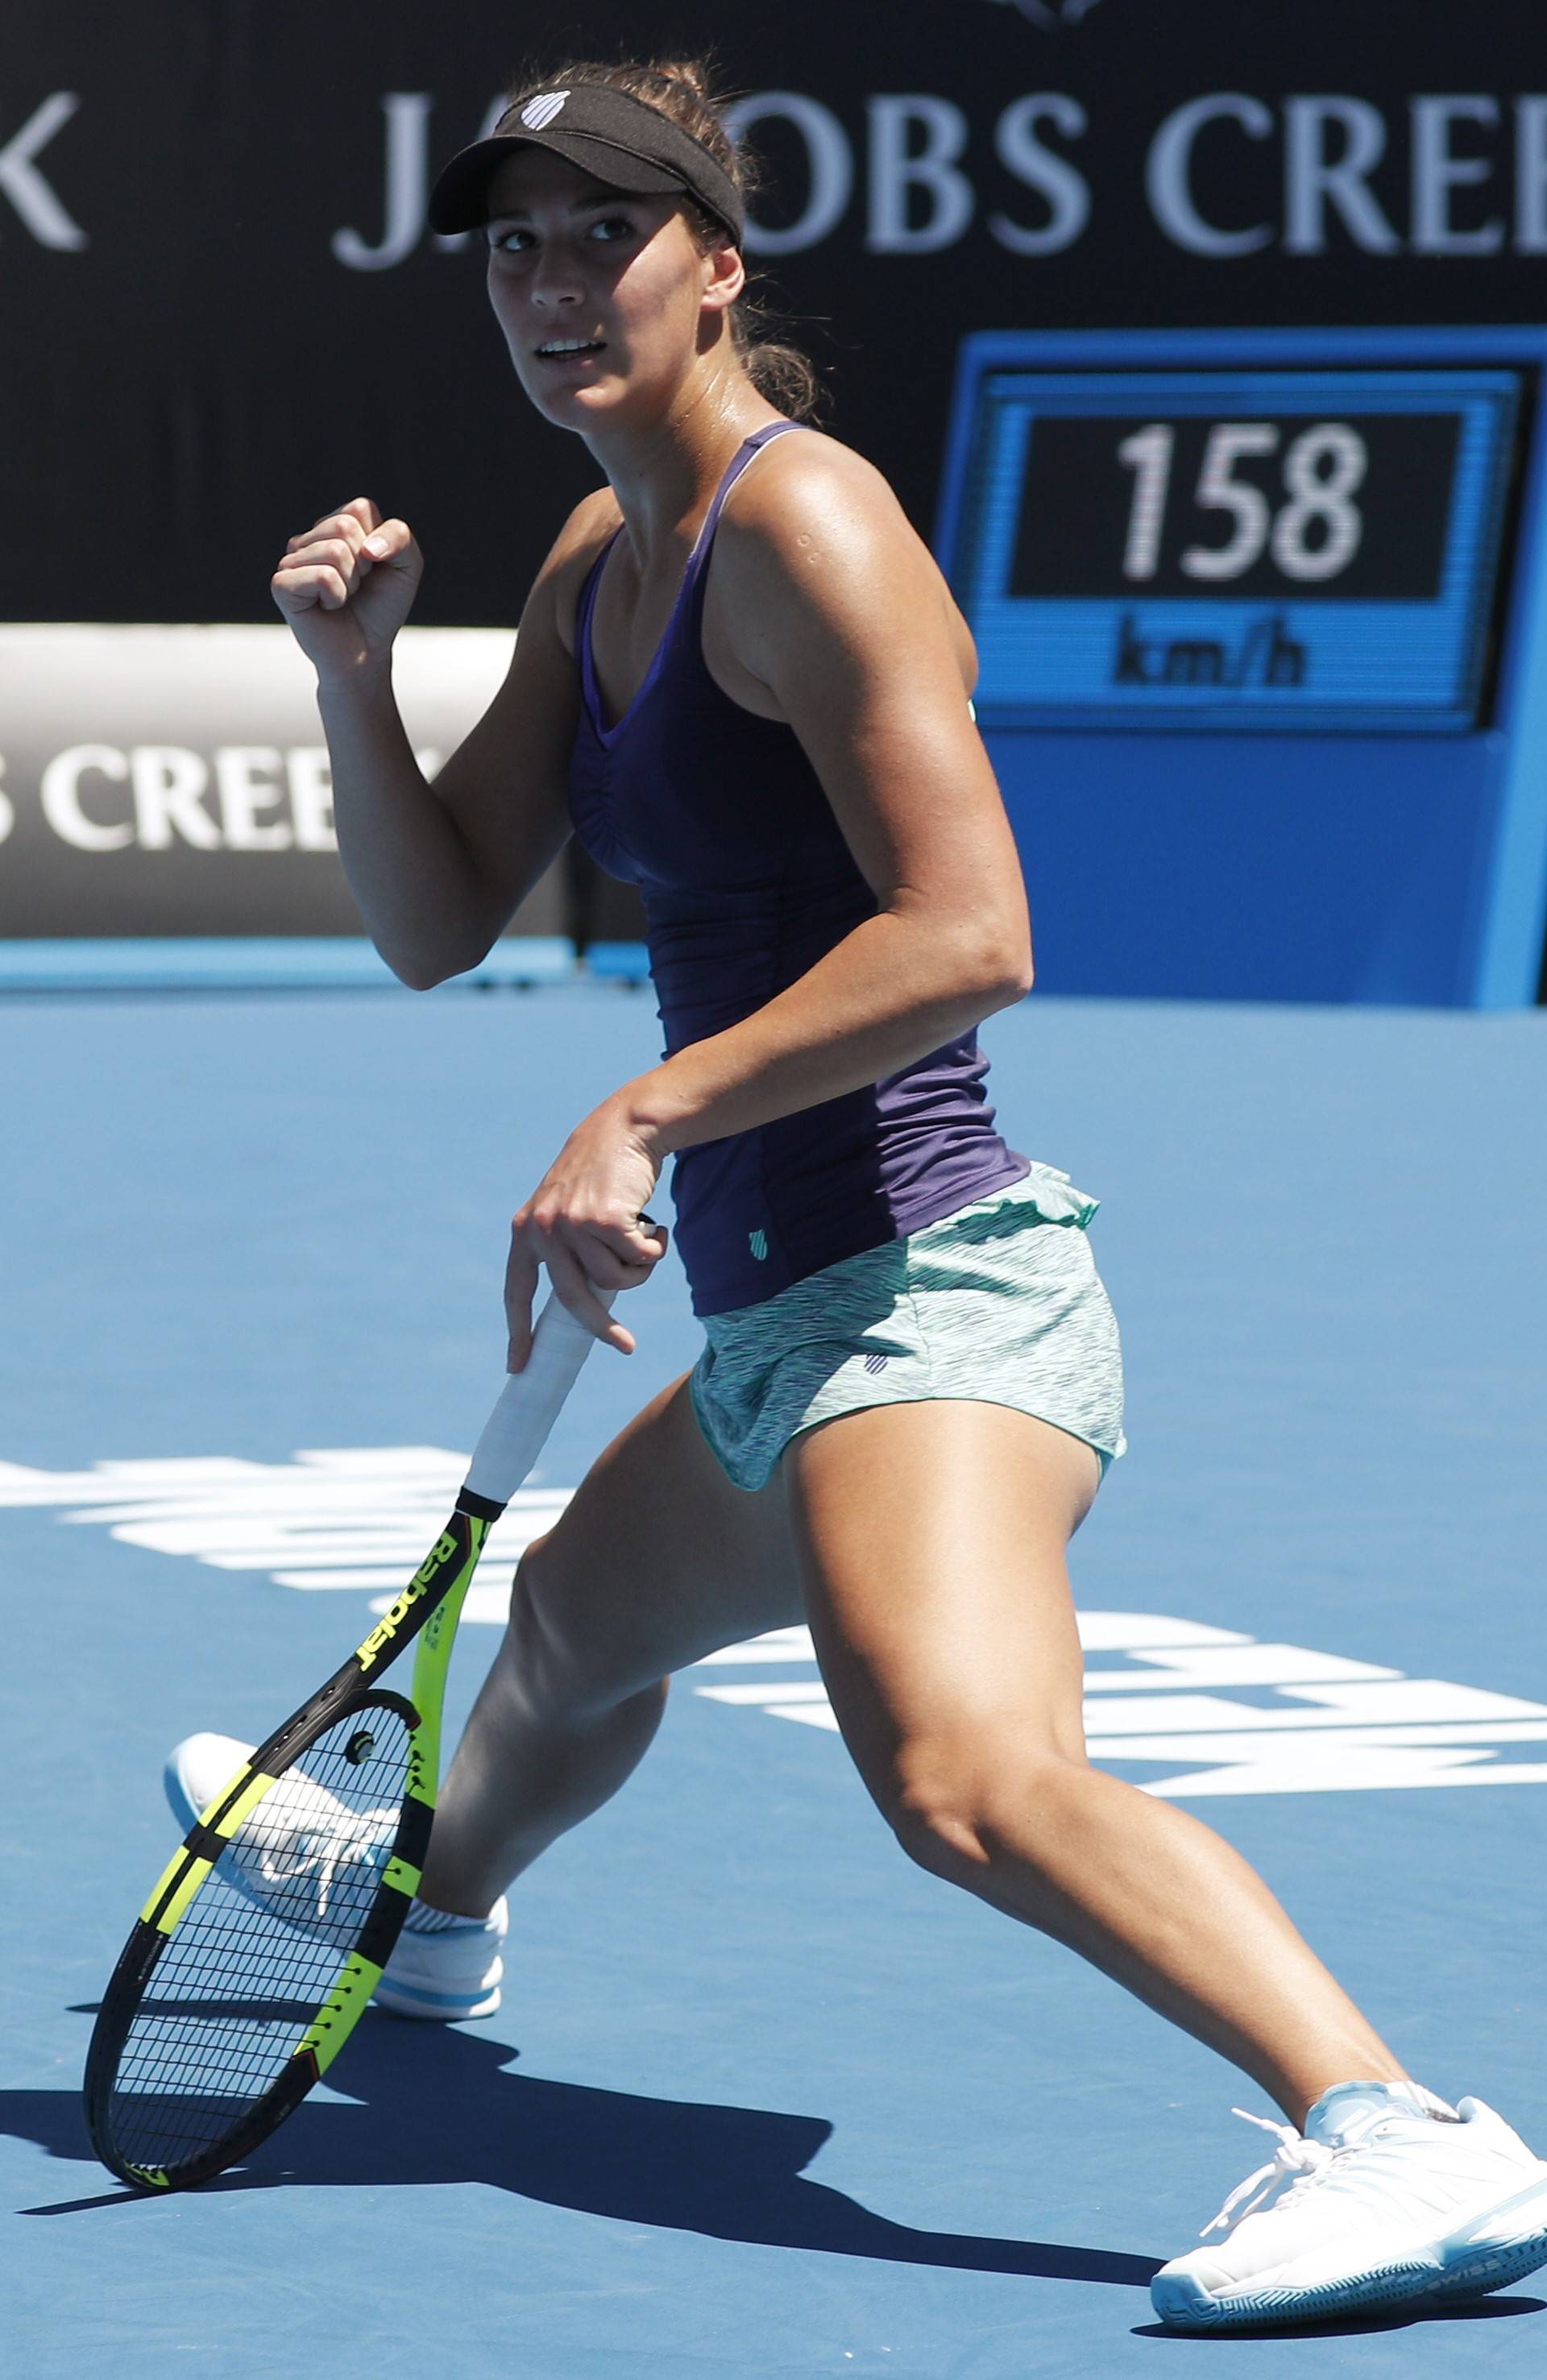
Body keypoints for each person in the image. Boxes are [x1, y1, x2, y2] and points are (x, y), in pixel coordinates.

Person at [166, 58, 1547, 2332]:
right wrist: (348, 682)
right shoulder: (602, 552)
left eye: (598, 233)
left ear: (716, 267)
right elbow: (435, 925)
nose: (545, 281)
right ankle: (422, 1912)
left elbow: (977, 924)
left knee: (966, 1777)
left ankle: (1397, 2127)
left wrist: (651, 1110)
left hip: (936, 1297)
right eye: (510, 241)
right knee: (571, 1646)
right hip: (792, 1314)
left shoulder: (803, 527)